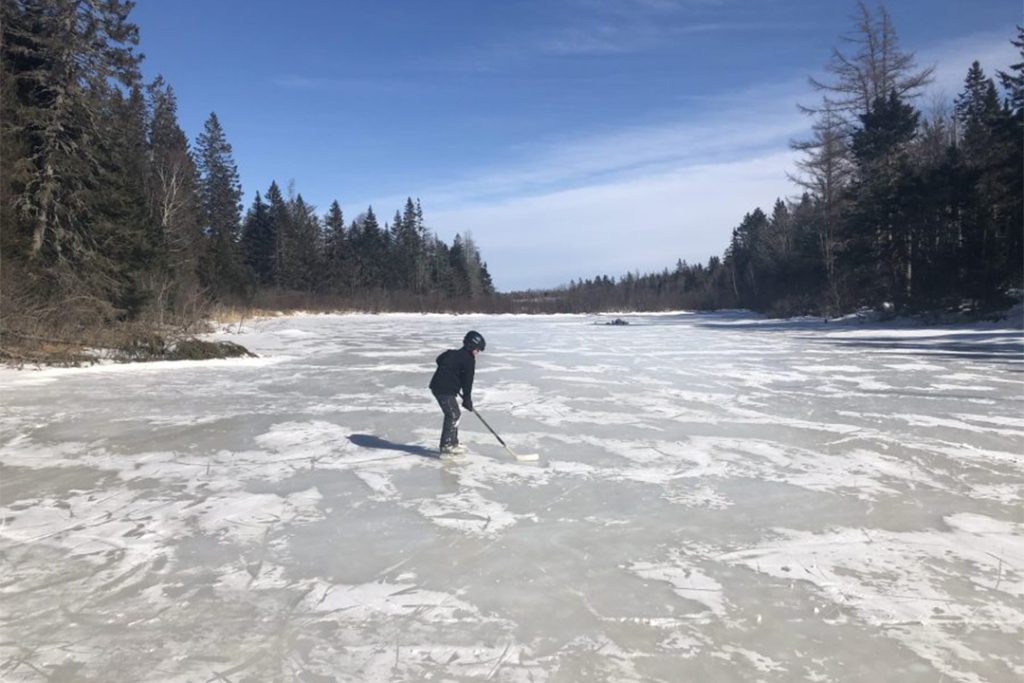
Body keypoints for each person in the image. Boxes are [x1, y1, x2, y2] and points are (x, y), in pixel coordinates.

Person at [429, 330, 485, 456]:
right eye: (477, 349)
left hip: (439, 387)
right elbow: (467, 381)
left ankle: (453, 443)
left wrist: (451, 373)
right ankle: (446, 446)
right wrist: (467, 399)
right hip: (443, 390)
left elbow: (439, 360)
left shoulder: (452, 353)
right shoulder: (469, 361)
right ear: (470, 346)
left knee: (455, 414)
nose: (478, 352)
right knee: (453, 415)